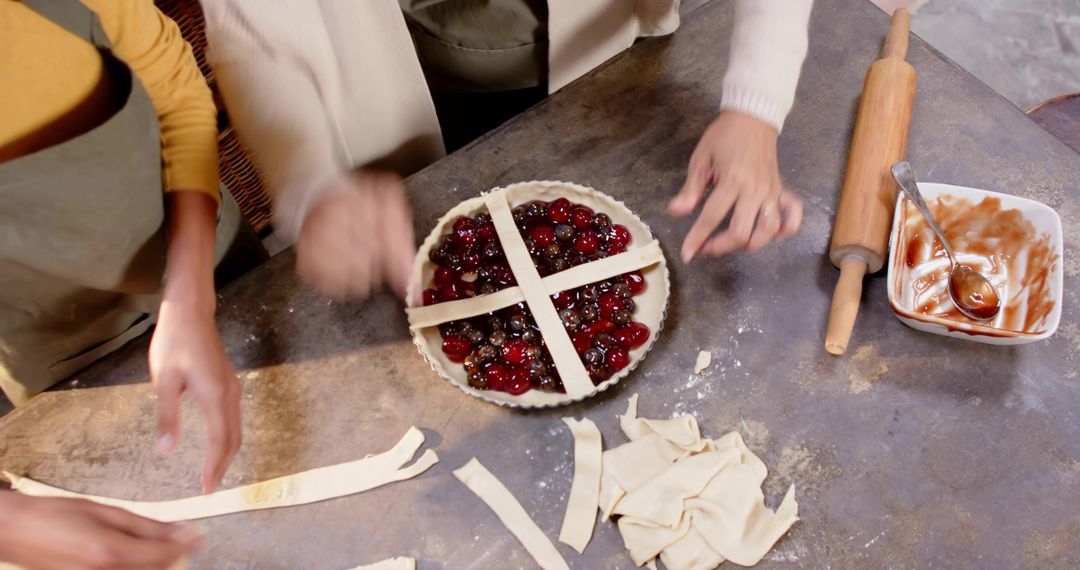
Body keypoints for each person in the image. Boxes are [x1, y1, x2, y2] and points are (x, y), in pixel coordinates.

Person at [203, 0, 813, 301]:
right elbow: (250, 29)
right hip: (383, 74)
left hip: (598, 54)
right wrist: (311, 185)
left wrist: (755, 105)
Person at [0, 0, 252, 566]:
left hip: (211, 257)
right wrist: (7, 525)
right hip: (57, 358)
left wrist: (189, 294)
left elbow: (174, 91)